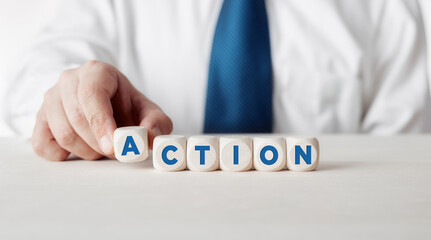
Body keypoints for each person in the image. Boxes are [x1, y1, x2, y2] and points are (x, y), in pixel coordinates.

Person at [3, 0, 431, 161]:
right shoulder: (114, 5)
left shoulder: (387, 12)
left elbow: (399, 165)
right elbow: (37, 80)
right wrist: (71, 98)